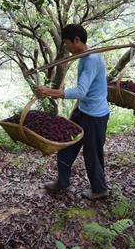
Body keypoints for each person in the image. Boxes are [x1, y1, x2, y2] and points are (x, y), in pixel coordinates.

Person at [34, 24, 110, 200]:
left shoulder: (91, 60)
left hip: (95, 115)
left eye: (67, 43)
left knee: (93, 154)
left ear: (77, 40)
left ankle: (100, 189)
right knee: (66, 144)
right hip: (82, 110)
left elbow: (81, 91)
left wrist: (51, 92)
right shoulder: (84, 56)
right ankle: (62, 181)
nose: (66, 48)